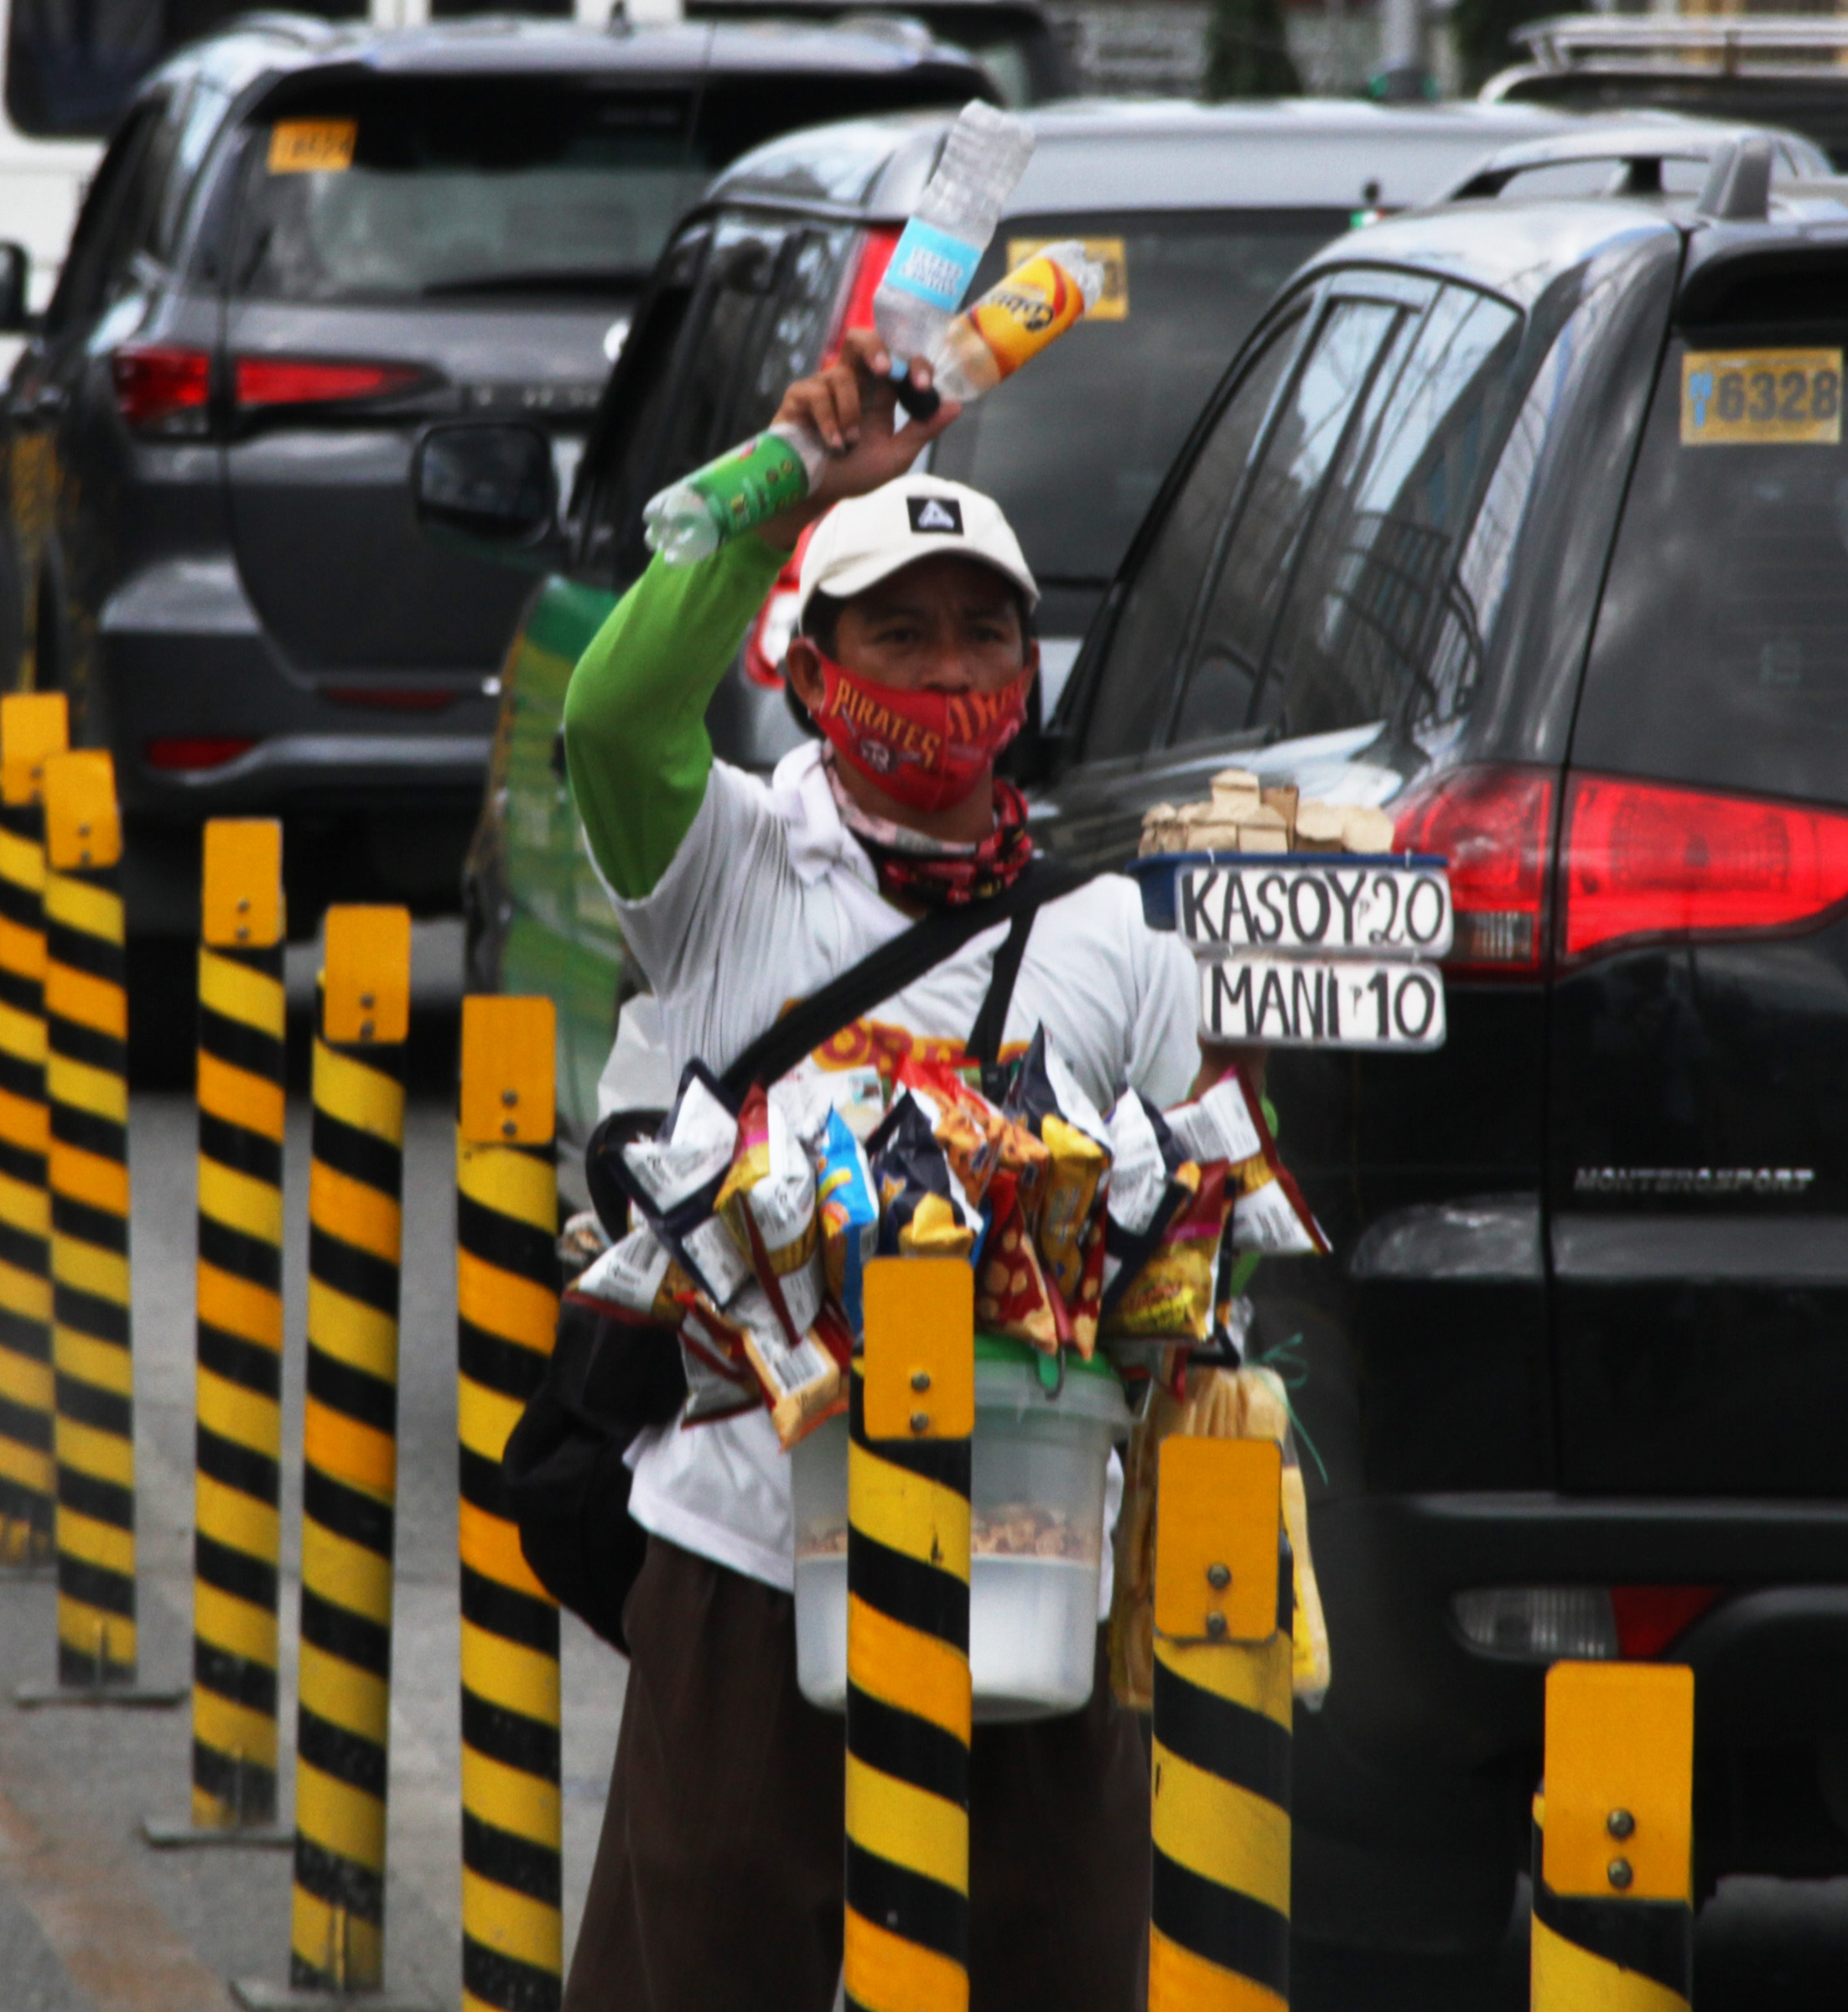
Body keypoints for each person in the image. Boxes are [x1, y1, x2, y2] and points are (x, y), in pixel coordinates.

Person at [560, 328, 1203, 2012]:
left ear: (1031, 674)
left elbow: (1185, 1254)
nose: (943, 671)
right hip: (753, 1548)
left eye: (981, 635)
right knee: (698, 1968)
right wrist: (790, 489)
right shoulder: (729, 867)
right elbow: (614, 711)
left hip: (1035, 1574)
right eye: (896, 636)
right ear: (811, 668)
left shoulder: (1107, 941)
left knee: (1052, 1972)